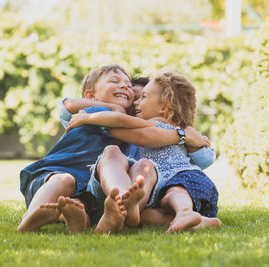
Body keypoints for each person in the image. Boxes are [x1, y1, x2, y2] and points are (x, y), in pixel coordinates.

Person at [17, 65, 202, 233]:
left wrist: (183, 135)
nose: (125, 87)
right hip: (53, 175)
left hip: (88, 188)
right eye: (115, 81)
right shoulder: (87, 113)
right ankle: (29, 217)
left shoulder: (127, 132)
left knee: (80, 204)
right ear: (90, 96)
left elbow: (147, 134)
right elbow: (67, 104)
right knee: (64, 180)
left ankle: (77, 222)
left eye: (129, 86)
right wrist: (113, 107)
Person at [66, 71, 222, 233]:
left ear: (164, 106)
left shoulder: (158, 123)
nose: (136, 103)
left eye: (143, 97)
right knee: (148, 215)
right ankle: (198, 221)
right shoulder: (172, 127)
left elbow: (123, 122)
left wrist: (89, 120)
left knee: (174, 193)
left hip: (183, 178)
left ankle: (184, 212)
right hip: (164, 188)